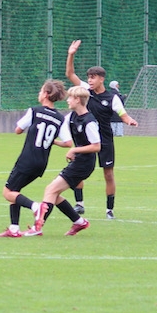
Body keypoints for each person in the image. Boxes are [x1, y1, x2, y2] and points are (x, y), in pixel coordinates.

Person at [65, 40, 138, 219]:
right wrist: (71, 54)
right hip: (86, 139)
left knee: (108, 174)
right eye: (89, 77)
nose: (90, 80)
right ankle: (79, 204)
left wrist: (129, 120)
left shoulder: (112, 97)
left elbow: (122, 114)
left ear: (101, 79)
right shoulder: (85, 91)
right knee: (77, 168)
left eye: (93, 77)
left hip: (104, 139)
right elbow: (70, 74)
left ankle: (109, 210)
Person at [0, 80, 69, 238]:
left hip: (27, 159)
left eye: (41, 91)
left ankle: (36, 207)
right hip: (41, 163)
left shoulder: (35, 111)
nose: (39, 93)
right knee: (15, 191)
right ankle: (14, 229)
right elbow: (68, 143)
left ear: (46, 94)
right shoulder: (60, 118)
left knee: (7, 192)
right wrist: (52, 141)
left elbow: (18, 130)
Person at [31, 85, 101, 236]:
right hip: (78, 162)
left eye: (70, 97)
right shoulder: (72, 117)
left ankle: (37, 228)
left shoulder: (89, 121)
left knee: (50, 190)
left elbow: (96, 146)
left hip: (84, 164)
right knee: (53, 194)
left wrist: (75, 150)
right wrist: (53, 141)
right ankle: (79, 222)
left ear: (78, 100)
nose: (67, 100)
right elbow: (64, 136)